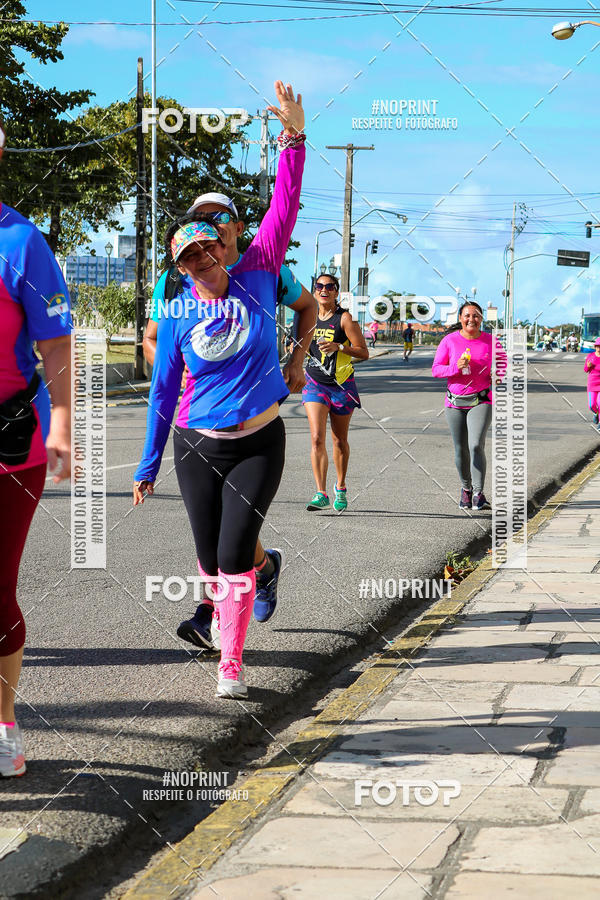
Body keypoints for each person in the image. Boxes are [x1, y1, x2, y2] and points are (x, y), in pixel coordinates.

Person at [133, 80, 305, 699]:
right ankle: (262, 573)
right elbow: (162, 392)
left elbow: (284, 203)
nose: (203, 259)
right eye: (191, 256)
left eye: (209, 247)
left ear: (222, 247)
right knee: (209, 560)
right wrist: (147, 464)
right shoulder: (178, 310)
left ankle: (230, 662)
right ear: (180, 267)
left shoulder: (259, 273)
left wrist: (293, 137)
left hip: (258, 442)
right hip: (196, 446)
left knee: (232, 555)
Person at [143, 192, 316, 640]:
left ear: (237, 228)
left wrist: (296, 360)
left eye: (217, 217)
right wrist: (181, 369)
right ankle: (232, 595)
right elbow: (154, 340)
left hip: (256, 430)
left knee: (231, 534)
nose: (207, 224)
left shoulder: (266, 267)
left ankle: (225, 603)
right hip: (200, 425)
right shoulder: (175, 278)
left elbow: (308, 307)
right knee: (216, 532)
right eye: (197, 217)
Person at [0, 120, 72, 776]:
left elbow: (54, 342)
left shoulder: (21, 242)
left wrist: (63, 424)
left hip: (10, 442)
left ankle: (3, 725)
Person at [302, 274, 368, 512]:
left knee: (339, 441)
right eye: (319, 286)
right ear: (315, 290)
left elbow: (363, 352)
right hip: (314, 383)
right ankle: (320, 493)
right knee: (316, 438)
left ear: (336, 292)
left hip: (341, 385)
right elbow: (298, 343)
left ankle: (340, 487)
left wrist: (339, 347)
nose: (324, 290)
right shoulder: (307, 317)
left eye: (330, 286)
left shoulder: (345, 318)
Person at [432, 301, 505, 510]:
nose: (471, 319)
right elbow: (436, 369)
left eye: (476, 316)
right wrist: (455, 367)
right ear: (460, 318)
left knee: (475, 445)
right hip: (454, 402)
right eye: (467, 315)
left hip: (481, 400)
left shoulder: (491, 341)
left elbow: (502, 364)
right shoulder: (449, 341)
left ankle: (479, 494)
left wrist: (498, 375)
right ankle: (466, 489)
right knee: (460, 449)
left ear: (481, 319)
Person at [584, 338, 600, 426]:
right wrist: (588, 366)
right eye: (597, 346)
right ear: (595, 347)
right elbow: (585, 370)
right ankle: (596, 413)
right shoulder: (591, 356)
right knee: (591, 405)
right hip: (592, 383)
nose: (599, 348)